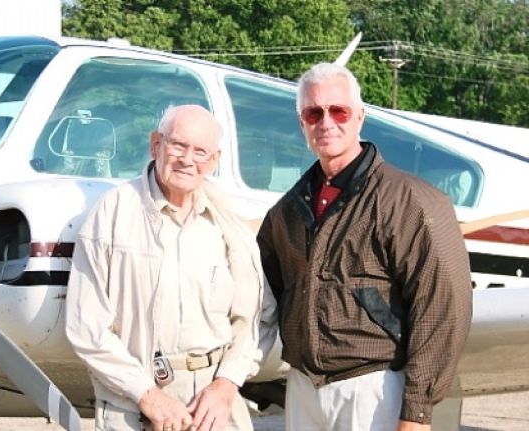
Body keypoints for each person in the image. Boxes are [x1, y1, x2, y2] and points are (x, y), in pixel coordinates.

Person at [257, 63, 473, 431]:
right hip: (304, 389)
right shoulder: (287, 211)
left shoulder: (410, 201)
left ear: (359, 117)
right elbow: (267, 291)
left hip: (372, 388)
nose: (326, 122)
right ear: (302, 123)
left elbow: (444, 303)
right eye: (314, 113)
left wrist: (417, 410)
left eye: (338, 110)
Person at [66, 104, 267, 431]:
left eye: (201, 151)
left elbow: (256, 318)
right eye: (178, 145)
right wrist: (147, 395)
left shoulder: (229, 223)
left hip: (214, 408)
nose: (188, 159)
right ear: (155, 144)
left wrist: (226, 385)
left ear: (214, 161)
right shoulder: (112, 213)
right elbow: (86, 326)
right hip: (134, 407)